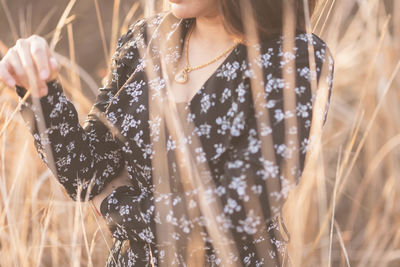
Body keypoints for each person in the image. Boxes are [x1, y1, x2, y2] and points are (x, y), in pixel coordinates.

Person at [0, 0, 334, 266]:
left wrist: (116, 204)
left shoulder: (294, 58)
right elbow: (86, 174)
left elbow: (239, 211)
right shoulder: (146, 38)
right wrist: (39, 92)